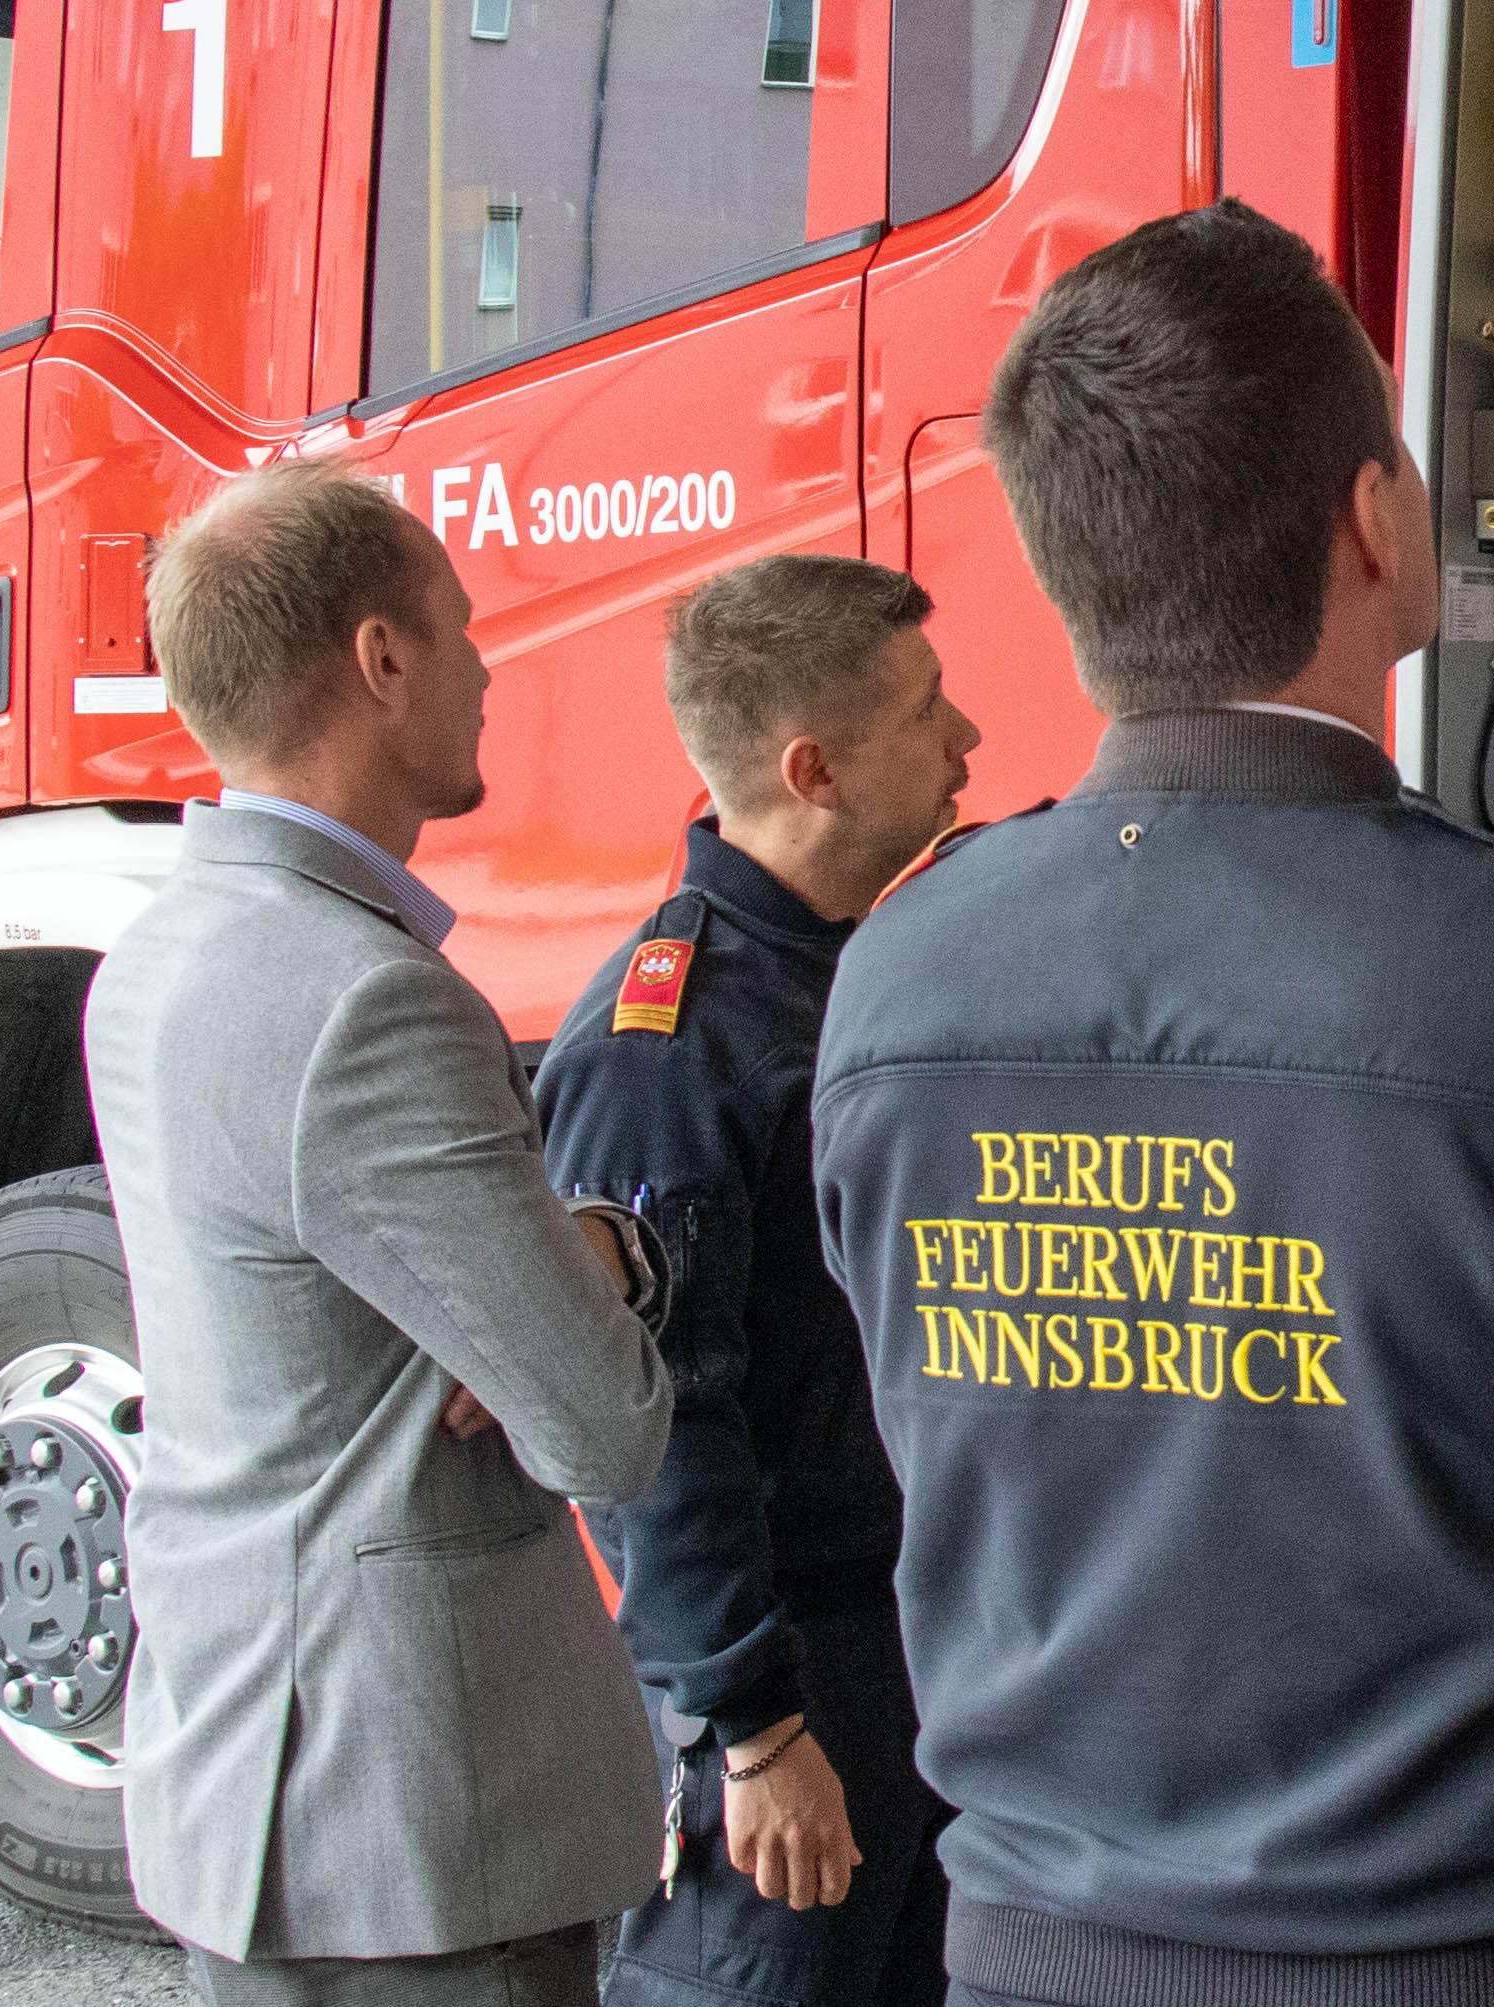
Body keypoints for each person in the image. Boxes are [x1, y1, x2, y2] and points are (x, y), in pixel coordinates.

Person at [812, 202, 1494, 2007]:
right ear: (1374, 524)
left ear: (1061, 561)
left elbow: (976, 1431)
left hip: (1031, 1962)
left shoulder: (899, 978)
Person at [86, 457, 678, 2005]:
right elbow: (601, 1426)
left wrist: (550, 1272)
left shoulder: (154, 960)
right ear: (381, 658)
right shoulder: (370, 1004)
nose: (487, 668)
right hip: (416, 1837)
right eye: (462, 627)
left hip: (254, 1784)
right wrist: (597, 1259)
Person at [539, 555, 984, 2007]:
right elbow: (658, 1416)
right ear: (816, 768)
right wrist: (751, 1724)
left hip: (924, 1642)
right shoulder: (661, 1047)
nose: (967, 735)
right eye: (927, 709)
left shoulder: (865, 973)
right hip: (803, 1672)